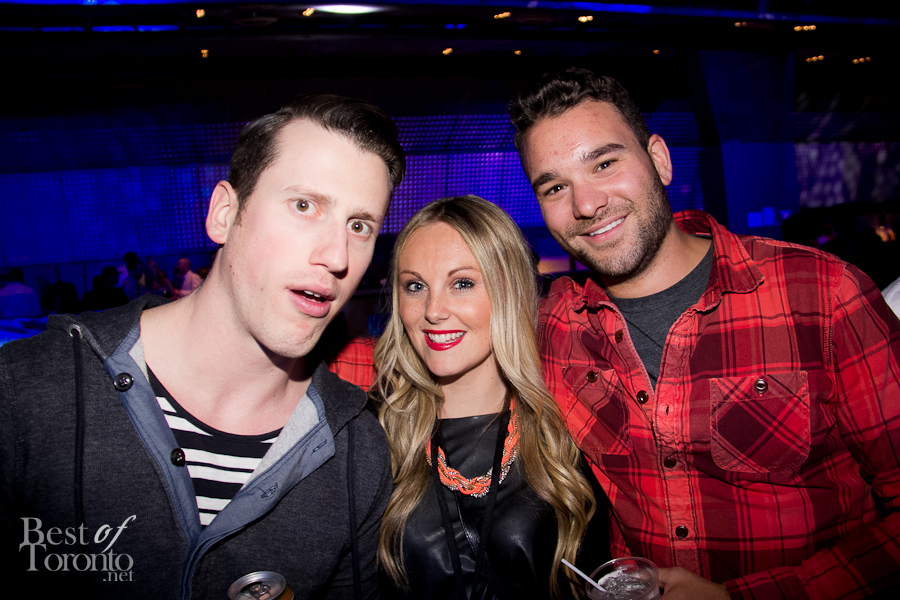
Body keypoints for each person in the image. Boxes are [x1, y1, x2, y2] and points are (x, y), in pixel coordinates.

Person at [508, 67, 900, 599]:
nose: (586, 204)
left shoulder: (823, 294)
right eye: (556, 187)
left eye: (604, 163)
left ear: (660, 160)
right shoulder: (553, 327)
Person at [1, 93, 405, 598]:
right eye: (305, 206)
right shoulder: (26, 393)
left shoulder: (357, 453)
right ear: (224, 214)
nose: (337, 255)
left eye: (359, 226)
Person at [337, 195, 604, 599]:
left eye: (462, 283)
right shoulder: (370, 433)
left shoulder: (568, 422)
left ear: (509, 290)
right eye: (415, 286)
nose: (433, 311)